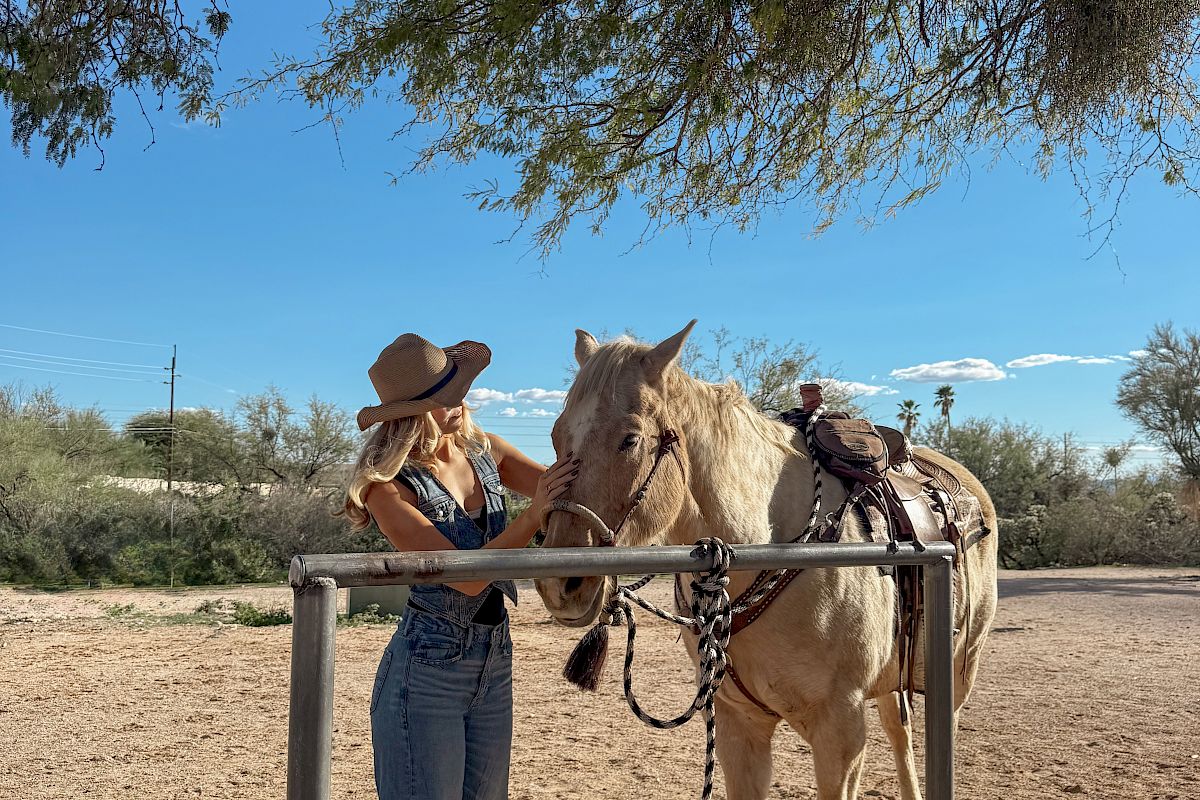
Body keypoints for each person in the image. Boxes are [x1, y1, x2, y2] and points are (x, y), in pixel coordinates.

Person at [342, 333, 577, 800]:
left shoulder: (486, 450)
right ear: (410, 413)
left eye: (458, 391)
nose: (460, 402)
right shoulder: (386, 489)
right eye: (445, 398)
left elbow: (564, 493)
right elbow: (464, 578)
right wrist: (532, 518)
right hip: (426, 671)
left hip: (496, 657)